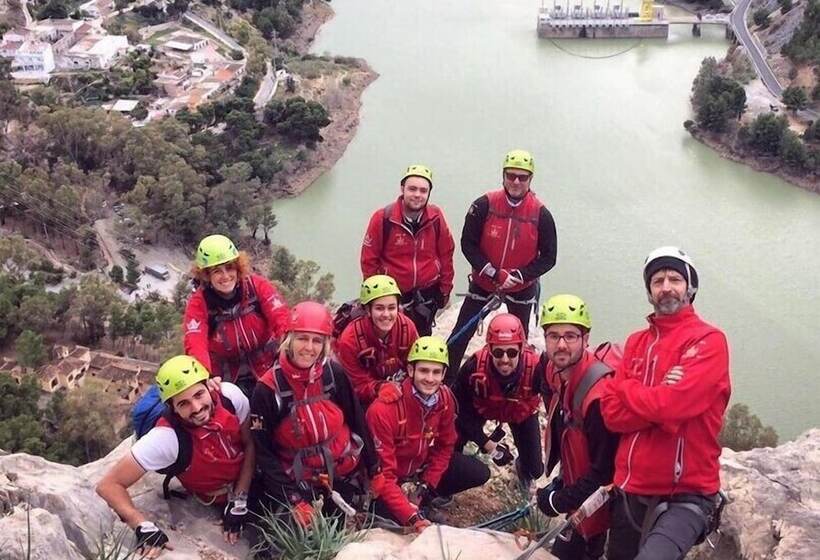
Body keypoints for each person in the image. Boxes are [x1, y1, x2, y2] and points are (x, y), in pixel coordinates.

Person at [600, 247, 731, 560]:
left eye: (675, 278)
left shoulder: (708, 340)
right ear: (649, 291)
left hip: (685, 493)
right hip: (630, 489)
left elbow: (672, 406)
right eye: (657, 280)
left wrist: (628, 388)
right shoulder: (636, 342)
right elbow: (611, 414)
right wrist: (661, 406)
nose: (666, 287)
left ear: (690, 287)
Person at [96, 355, 255, 557]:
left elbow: (250, 444)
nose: (196, 408)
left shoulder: (231, 397)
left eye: (199, 395)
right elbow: (108, 485)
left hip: (249, 478)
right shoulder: (167, 438)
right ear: (172, 407)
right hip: (216, 497)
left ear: (209, 385)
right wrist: (142, 525)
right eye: (184, 404)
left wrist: (240, 498)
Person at [250, 301, 379, 528]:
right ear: (289, 339)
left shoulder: (332, 374)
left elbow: (356, 418)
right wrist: (292, 499)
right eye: (302, 338)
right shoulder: (268, 389)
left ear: (325, 345)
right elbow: (264, 452)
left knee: (339, 530)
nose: (309, 347)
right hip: (298, 481)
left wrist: (373, 467)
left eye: (317, 340)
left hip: (341, 472)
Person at [446, 149, 557, 376]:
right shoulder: (483, 205)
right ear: (503, 176)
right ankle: (445, 384)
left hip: (521, 288)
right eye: (511, 175)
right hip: (484, 283)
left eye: (522, 177)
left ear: (530, 179)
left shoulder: (541, 214)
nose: (516, 181)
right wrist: (494, 273)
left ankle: (516, 389)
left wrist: (519, 276)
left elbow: (548, 257)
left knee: (518, 342)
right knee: (460, 335)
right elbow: (468, 244)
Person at [366, 336, 490, 531]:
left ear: (444, 375)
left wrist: (426, 485)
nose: (430, 379)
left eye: (436, 372)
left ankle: (424, 500)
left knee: (478, 472)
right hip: (390, 478)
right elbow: (384, 474)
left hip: (418, 469)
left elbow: (446, 446)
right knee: (391, 516)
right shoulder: (383, 410)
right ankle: (412, 508)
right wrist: (412, 517)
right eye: (424, 370)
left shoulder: (445, 399)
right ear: (410, 370)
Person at [535, 294, 619, 560]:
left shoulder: (599, 398)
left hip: (602, 503)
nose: (561, 345)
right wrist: (561, 480)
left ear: (586, 339)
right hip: (577, 486)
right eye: (554, 336)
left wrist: (558, 501)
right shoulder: (552, 370)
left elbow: (605, 472)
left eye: (570, 336)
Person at [184, 234, 289, 397]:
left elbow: (281, 316)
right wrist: (205, 374)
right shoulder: (199, 303)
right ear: (206, 276)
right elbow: (195, 341)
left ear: (238, 268)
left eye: (230, 268)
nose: (225, 276)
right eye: (217, 271)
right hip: (227, 378)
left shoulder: (257, 286)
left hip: (267, 365)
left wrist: (289, 347)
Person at [453, 313, 546, 493]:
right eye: (498, 352)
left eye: (511, 352)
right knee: (452, 439)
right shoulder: (473, 367)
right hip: (481, 408)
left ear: (521, 348)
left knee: (535, 470)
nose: (505, 359)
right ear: (489, 349)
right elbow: (457, 411)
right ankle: (451, 479)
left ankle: (522, 469)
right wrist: (487, 443)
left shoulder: (536, 370)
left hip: (520, 412)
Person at [360, 164, 456, 336]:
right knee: (392, 339)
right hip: (392, 293)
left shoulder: (435, 217)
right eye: (412, 189)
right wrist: (375, 294)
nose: (417, 195)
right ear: (402, 189)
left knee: (421, 338)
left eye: (423, 190)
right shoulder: (384, 218)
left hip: (427, 294)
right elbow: (369, 260)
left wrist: (445, 289)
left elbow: (446, 253)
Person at [336, 274, 419, 406]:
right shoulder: (350, 340)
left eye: (392, 308)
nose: (386, 314)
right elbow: (357, 385)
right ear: (367, 310)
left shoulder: (407, 328)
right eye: (379, 308)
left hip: (401, 388)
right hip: (365, 399)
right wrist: (379, 388)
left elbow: (417, 366)